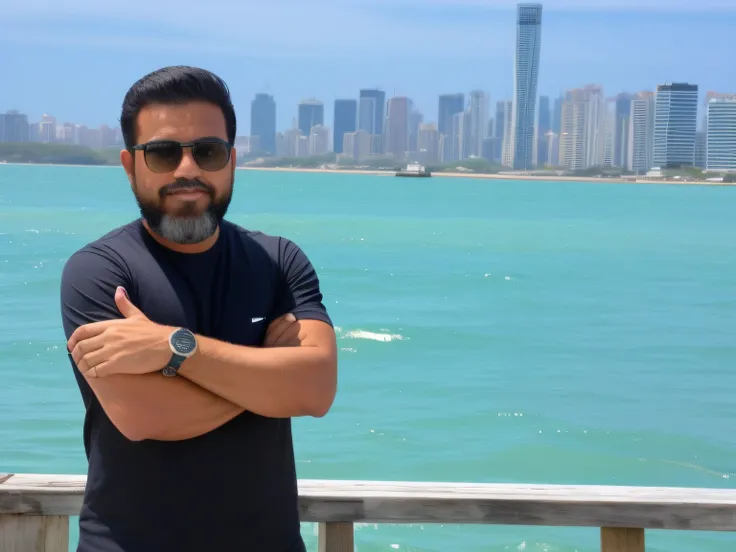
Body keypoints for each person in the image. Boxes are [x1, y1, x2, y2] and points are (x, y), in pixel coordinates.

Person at [59, 66, 338, 552]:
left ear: (231, 161)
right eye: (163, 153)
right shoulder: (99, 273)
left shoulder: (278, 260)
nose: (187, 169)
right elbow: (146, 416)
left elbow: (316, 389)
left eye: (207, 151)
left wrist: (172, 348)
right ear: (130, 165)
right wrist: (271, 383)